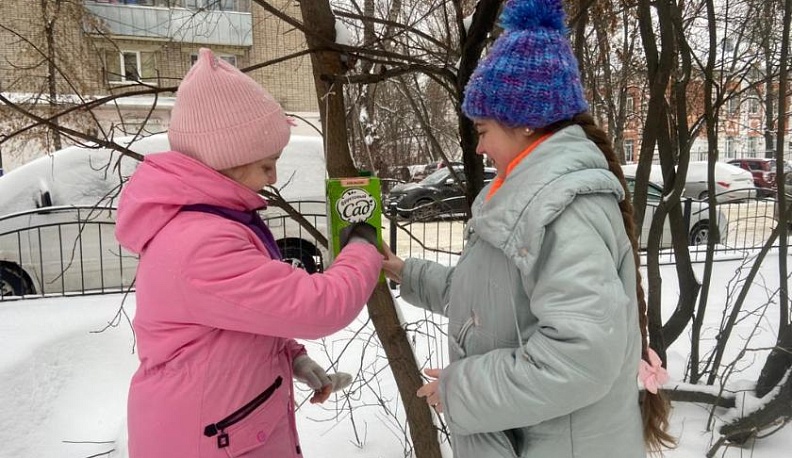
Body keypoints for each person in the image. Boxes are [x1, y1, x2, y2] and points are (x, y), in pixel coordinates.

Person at [381, 1, 674, 457]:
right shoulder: (525, 198)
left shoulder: (562, 210)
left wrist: (464, 391)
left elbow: (581, 357)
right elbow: (494, 301)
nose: (478, 147)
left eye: (482, 131)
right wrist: (404, 271)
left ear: (525, 123)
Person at [115, 48, 383, 458]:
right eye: (266, 164)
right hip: (203, 443)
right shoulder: (199, 244)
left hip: (221, 429)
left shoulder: (207, 223)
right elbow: (320, 307)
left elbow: (228, 323)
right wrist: (363, 245)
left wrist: (291, 357)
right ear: (226, 160)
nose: (274, 177)